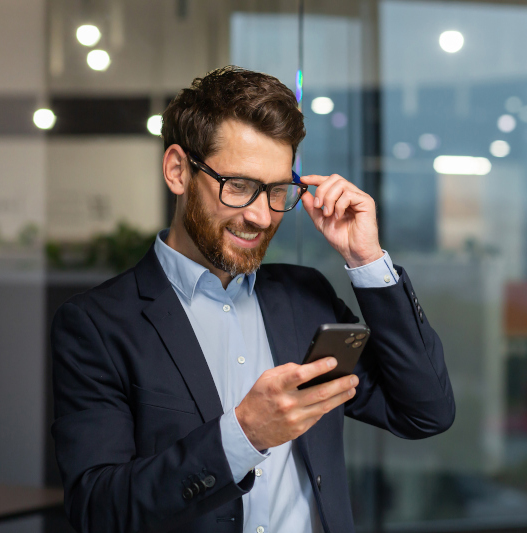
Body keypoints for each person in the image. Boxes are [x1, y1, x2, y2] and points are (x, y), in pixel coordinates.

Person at [51, 66, 455, 533]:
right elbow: (97, 511)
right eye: (239, 186)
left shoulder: (305, 298)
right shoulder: (96, 324)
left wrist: (365, 258)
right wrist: (242, 436)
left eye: (278, 190)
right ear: (178, 170)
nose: (262, 216)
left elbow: (425, 412)